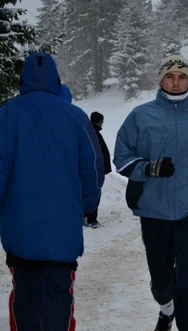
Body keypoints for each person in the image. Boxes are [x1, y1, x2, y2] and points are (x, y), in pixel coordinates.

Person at [114, 55, 188, 331]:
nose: (176, 82)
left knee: (186, 280)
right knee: (162, 284)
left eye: (182, 77)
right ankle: (166, 309)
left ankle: (186, 323)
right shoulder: (140, 115)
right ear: (160, 79)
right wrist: (148, 169)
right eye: (170, 77)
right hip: (154, 210)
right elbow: (122, 157)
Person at [0, 52, 104, 331]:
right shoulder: (76, 117)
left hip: (20, 231)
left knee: (25, 296)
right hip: (62, 232)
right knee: (58, 298)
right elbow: (93, 168)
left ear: (22, 80)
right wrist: (87, 205)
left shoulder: (7, 114)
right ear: (57, 81)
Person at [85, 111, 112, 228]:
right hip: (94, 170)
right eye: (102, 121)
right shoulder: (93, 133)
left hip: (95, 169)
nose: (102, 123)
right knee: (94, 194)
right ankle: (91, 219)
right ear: (98, 121)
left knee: (92, 193)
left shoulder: (92, 132)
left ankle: (88, 218)